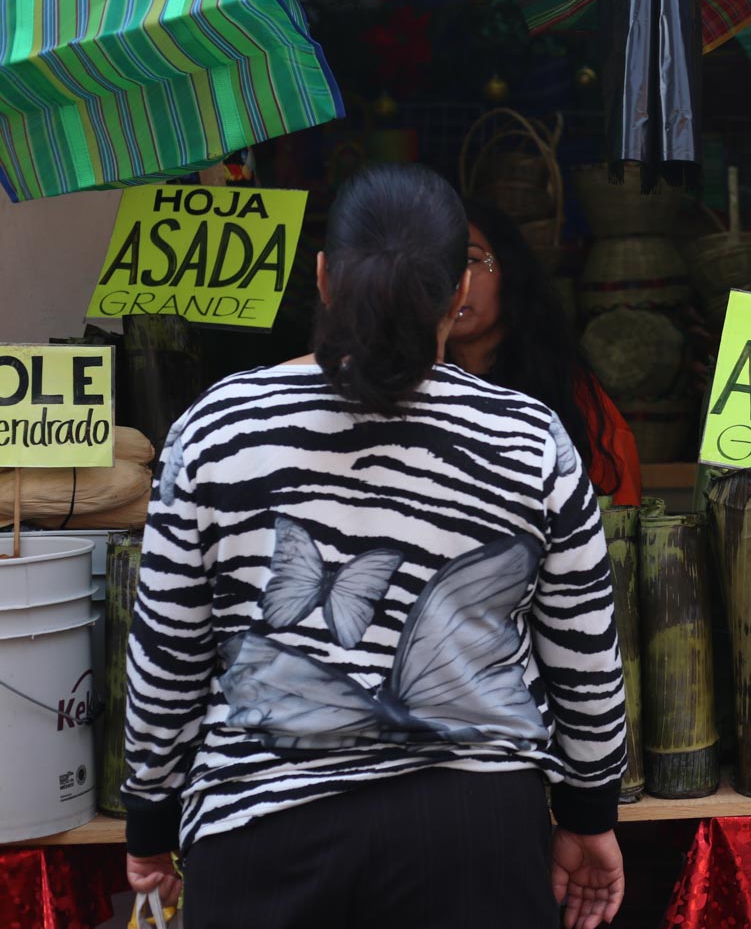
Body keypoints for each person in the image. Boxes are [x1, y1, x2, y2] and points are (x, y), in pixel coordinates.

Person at [121, 163, 628, 929]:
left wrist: (150, 824)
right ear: (460, 290)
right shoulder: (529, 438)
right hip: (476, 838)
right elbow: (584, 655)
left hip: (264, 834)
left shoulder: (217, 428)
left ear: (323, 278)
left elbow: (167, 654)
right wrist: (590, 814)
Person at [447, 198, 643, 506]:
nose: (454, 281)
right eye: (435, 265)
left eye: (472, 260)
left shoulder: (568, 392)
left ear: (508, 271)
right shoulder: (405, 392)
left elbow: (618, 513)